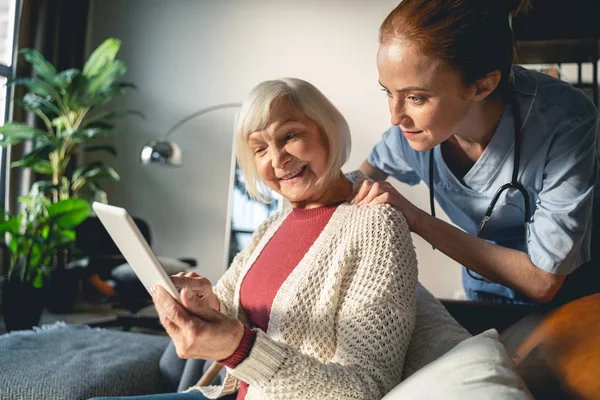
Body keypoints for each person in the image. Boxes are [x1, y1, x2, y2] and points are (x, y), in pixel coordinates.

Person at [91, 78, 418, 400]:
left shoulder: (378, 227)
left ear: (327, 130)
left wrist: (238, 348)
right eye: (260, 148)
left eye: (289, 136)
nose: (277, 160)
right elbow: (233, 308)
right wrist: (207, 302)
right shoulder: (273, 225)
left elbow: (366, 389)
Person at [351, 0, 599, 307]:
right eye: (387, 92)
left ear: (482, 86)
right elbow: (355, 185)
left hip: (575, 303)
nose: (395, 116)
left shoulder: (563, 118)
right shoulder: (410, 133)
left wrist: (417, 219)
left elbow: (544, 281)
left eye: (416, 97)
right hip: (484, 294)